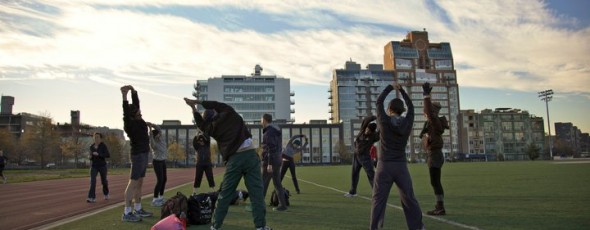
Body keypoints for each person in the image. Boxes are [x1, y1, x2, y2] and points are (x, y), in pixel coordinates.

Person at [183, 97, 271, 230]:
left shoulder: (211, 128)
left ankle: (215, 227)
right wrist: (198, 102)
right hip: (250, 155)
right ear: (216, 112)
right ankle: (261, 227)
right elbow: (216, 103)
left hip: (234, 160)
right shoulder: (229, 112)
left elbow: (200, 124)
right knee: (256, 194)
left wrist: (193, 109)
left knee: (224, 195)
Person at [370, 83, 424, 230]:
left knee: (378, 200)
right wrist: (402, 91)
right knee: (409, 199)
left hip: (384, 166)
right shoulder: (407, 122)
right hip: (401, 167)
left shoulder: (384, 121)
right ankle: (418, 227)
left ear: (389, 110)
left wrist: (390, 87)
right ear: (402, 110)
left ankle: (374, 228)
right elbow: (411, 107)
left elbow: (378, 101)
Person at [121, 85, 153, 222]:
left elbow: (137, 104)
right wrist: (124, 96)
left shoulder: (140, 121)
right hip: (138, 155)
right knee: (133, 183)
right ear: (133, 116)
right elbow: (125, 112)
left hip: (144, 154)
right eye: (138, 113)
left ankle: (138, 208)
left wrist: (133, 91)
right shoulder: (130, 124)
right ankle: (127, 212)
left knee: (139, 182)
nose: (141, 114)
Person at [421, 82, 449, 216]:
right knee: (435, 182)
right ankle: (439, 206)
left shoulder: (434, 120)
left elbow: (429, 112)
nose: (425, 113)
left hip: (435, 155)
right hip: (434, 154)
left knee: (435, 182)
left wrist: (426, 96)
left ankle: (440, 207)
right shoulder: (434, 122)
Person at [345, 115, 379, 198]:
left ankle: (377, 193)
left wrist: (381, 120)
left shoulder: (373, 137)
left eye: (369, 131)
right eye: (367, 129)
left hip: (365, 158)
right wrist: (375, 117)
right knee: (354, 174)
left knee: (371, 174)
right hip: (356, 156)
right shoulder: (362, 130)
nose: (367, 131)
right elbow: (366, 120)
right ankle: (353, 192)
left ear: (372, 132)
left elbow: (381, 132)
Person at [261, 113, 288, 211]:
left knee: (263, 182)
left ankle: (259, 205)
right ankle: (283, 206)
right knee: (277, 184)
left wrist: (269, 164)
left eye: (261, 120)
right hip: (277, 160)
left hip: (271, 161)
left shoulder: (269, 132)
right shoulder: (275, 131)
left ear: (264, 120)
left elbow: (270, 148)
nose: (261, 122)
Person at [147, 122, 168, 207]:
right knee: (160, 180)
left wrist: (152, 125)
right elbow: (151, 138)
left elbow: (159, 129)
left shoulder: (161, 139)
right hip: (157, 162)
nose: (160, 135)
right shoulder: (153, 144)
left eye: (160, 134)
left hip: (163, 161)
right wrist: (149, 129)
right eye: (158, 135)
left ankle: (161, 197)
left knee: (164, 179)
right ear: (155, 137)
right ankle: (155, 199)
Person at [87, 132, 110, 203]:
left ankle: (106, 193)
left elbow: (107, 155)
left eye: (97, 137)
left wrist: (99, 154)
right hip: (94, 166)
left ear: (100, 138)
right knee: (92, 181)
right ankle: (91, 197)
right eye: (95, 137)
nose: (96, 138)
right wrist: (90, 157)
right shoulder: (91, 146)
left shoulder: (103, 146)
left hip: (102, 166)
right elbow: (91, 156)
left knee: (104, 181)